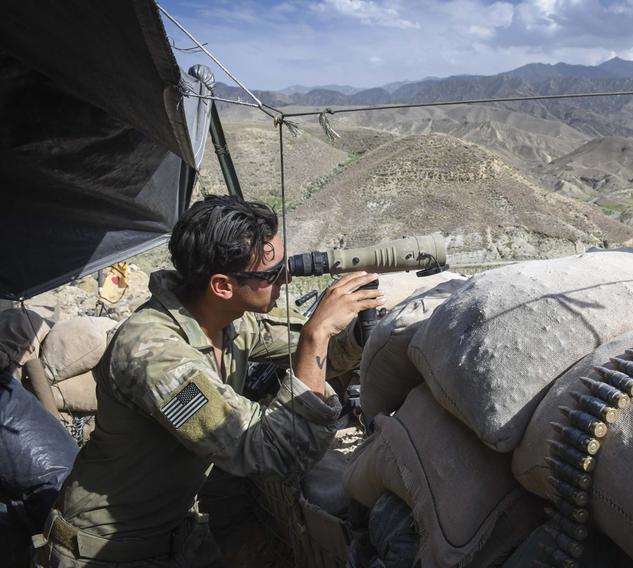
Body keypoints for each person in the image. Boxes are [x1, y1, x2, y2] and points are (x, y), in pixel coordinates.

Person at [36, 196, 384, 567]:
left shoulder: (230, 318)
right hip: (106, 553)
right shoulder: (154, 355)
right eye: (271, 274)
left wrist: (354, 336)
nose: (286, 279)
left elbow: (305, 353)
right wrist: (317, 334)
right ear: (221, 286)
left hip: (177, 537)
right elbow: (267, 452)